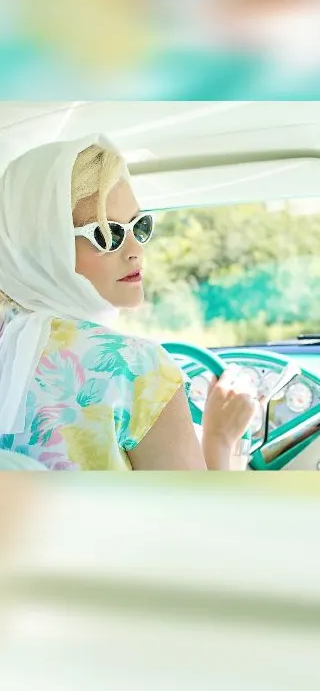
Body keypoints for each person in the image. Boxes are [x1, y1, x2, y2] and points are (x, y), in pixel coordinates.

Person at [0, 136, 256, 471]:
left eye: (140, 225)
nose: (136, 249)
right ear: (45, 247)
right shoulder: (136, 366)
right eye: (108, 234)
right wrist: (221, 441)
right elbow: (198, 520)